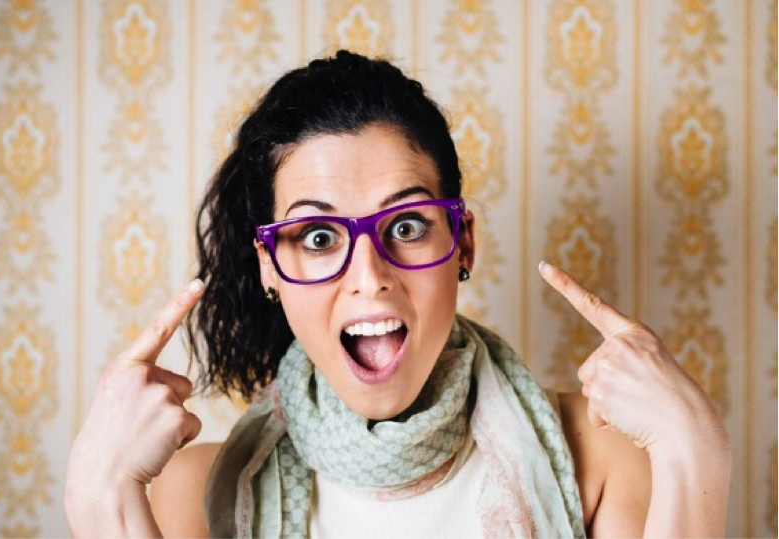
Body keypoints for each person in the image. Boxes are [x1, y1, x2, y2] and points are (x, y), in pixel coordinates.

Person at [65, 50, 731, 538]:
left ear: (462, 242)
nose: (369, 273)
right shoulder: (192, 500)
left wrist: (695, 452)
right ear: (269, 264)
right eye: (319, 235)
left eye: (406, 225)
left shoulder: (602, 457)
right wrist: (101, 500)